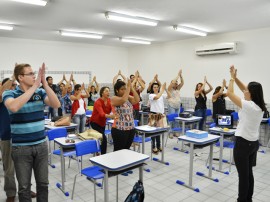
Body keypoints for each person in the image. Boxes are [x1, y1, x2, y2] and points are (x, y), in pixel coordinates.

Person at [3, 63, 60, 202]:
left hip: (41, 145)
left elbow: (56, 104)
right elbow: (14, 106)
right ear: (20, 77)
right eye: (30, 74)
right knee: (24, 187)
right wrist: (35, 86)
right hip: (21, 148)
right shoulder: (9, 93)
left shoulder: (39, 93)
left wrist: (45, 84)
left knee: (43, 184)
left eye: (34, 73)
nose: (35, 76)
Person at [227, 65, 266, 202]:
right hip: (253, 144)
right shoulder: (259, 106)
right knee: (248, 174)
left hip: (243, 144)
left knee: (243, 177)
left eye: (247, 90)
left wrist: (231, 79)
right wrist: (235, 76)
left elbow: (229, 94)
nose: (244, 91)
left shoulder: (249, 106)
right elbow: (244, 88)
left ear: (251, 93)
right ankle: (248, 199)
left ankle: (242, 200)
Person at [0, 77, 17, 202]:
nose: (14, 87)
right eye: (12, 85)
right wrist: (14, 76)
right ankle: (10, 193)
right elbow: (3, 91)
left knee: (23, 167)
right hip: (6, 137)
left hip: (20, 136)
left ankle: (25, 189)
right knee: (9, 168)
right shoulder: (2, 99)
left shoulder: (16, 97)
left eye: (15, 85)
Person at [111, 79, 140, 151]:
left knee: (126, 150)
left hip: (130, 128)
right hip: (119, 129)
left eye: (125, 89)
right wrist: (128, 88)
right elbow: (123, 100)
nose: (124, 91)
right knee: (119, 151)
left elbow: (137, 100)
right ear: (117, 90)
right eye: (122, 89)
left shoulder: (127, 97)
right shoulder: (114, 98)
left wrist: (132, 88)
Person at [90, 86, 116, 154]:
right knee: (103, 139)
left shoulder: (109, 101)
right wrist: (111, 116)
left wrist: (115, 114)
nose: (108, 92)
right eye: (106, 91)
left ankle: (97, 151)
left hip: (102, 123)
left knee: (100, 139)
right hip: (95, 123)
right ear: (102, 93)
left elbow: (113, 109)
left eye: (109, 91)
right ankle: (103, 155)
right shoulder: (98, 102)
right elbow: (102, 114)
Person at [148, 82, 171, 154]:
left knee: (159, 131)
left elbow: (169, 96)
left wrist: (166, 89)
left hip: (161, 115)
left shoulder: (161, 94)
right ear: (152, 88)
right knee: (153, 131)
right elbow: (156, 97)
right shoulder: (151, 95)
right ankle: (153, 146)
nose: (156, 88)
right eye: (154, 87)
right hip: (153, 114)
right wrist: (162, 90)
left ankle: (158, 145)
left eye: (157, 87)